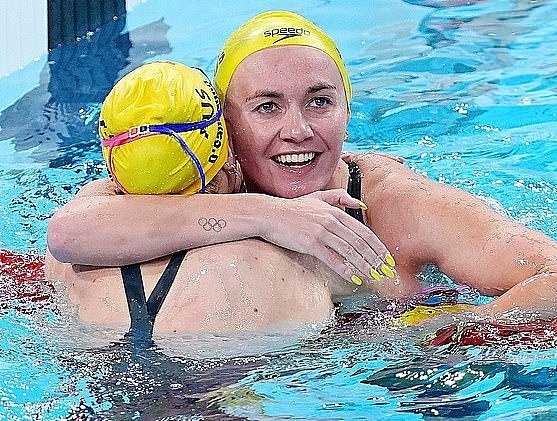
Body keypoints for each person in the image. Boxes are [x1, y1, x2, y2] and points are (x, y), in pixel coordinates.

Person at [47, 11, 557, 324]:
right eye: (267, 106)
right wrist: (268, 217)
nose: (297, 129)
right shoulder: (203, 178)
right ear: (223, 124)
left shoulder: (396, 204)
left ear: (348, 109)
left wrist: (444, 331)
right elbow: (72, 232)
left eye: (319, 101)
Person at [45, 61, 394, 346]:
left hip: (96, 413)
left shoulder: (77, 255)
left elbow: (64, 233)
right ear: (225, 151)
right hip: (242, 409)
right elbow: (383, 316)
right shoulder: (291, 259)